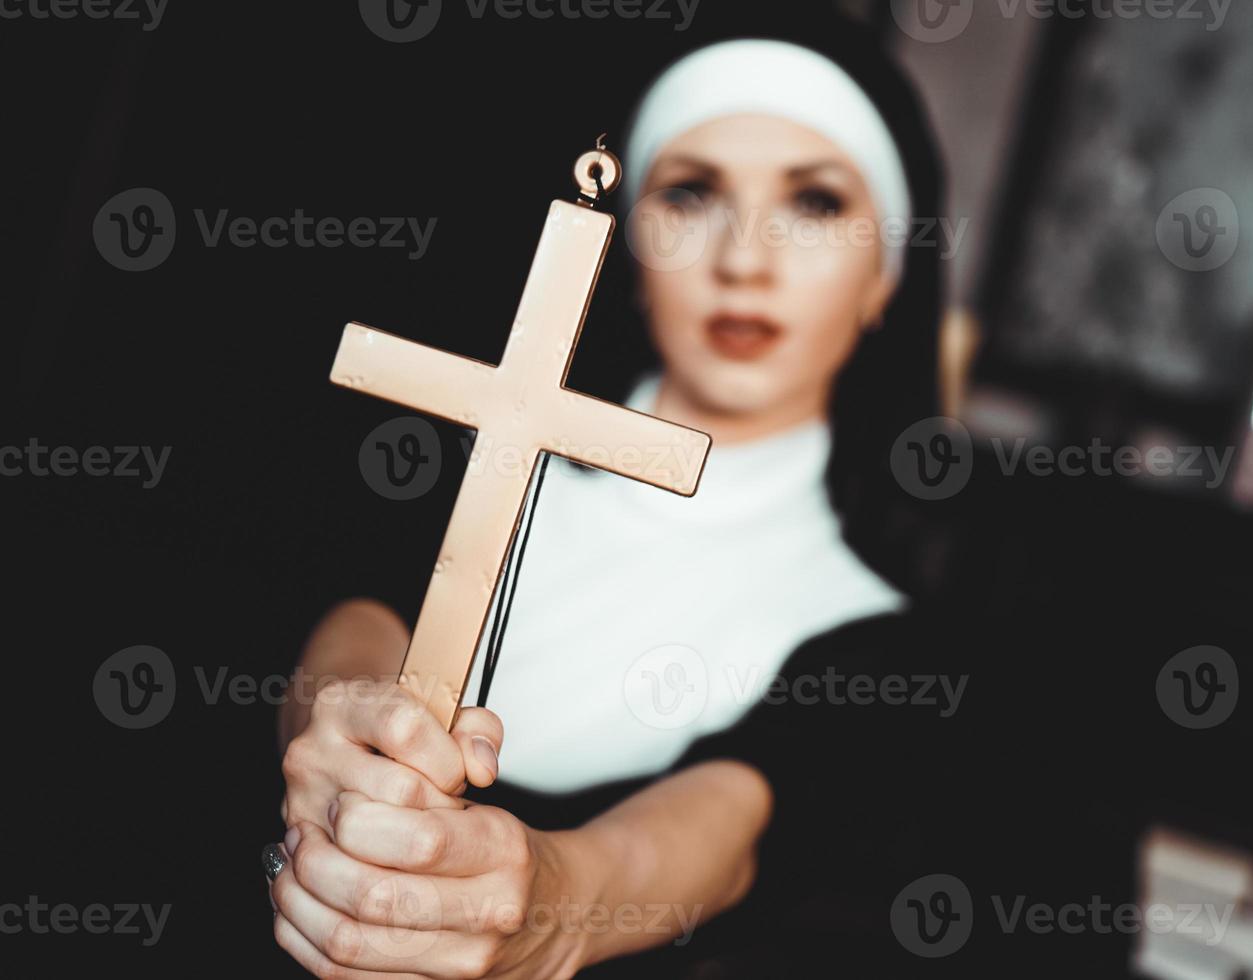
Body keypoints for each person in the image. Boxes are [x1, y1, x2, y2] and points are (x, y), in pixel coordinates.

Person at [265, 29, 969, 977]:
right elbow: (360, 608)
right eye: (691, 191)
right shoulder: (464, 456)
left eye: (814, 201)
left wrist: (547, 904)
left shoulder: (870, 626)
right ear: (629, 238)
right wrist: (337, 738)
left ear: (887, 273)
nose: (743, 259)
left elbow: (714, 834)